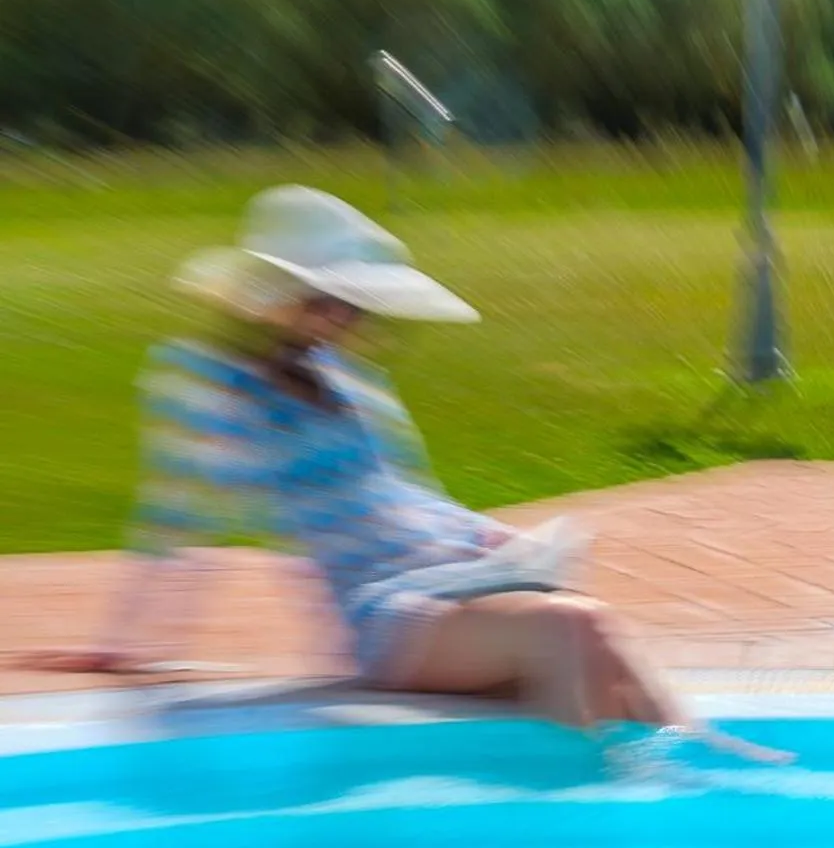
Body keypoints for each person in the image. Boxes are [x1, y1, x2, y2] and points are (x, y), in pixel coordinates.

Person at [30, 185, 786, 768]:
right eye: (333, 303)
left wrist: (488, 538)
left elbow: (406, 494)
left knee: (600, 634)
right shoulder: (217, 387)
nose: (349, 321)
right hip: (385, 615)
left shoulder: (348, 381)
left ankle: (707, 770)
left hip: (453, 581)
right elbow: (177, 521)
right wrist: (126, 645)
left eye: (351, 306)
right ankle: (592, 814)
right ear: (280, 300)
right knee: (570, 629)